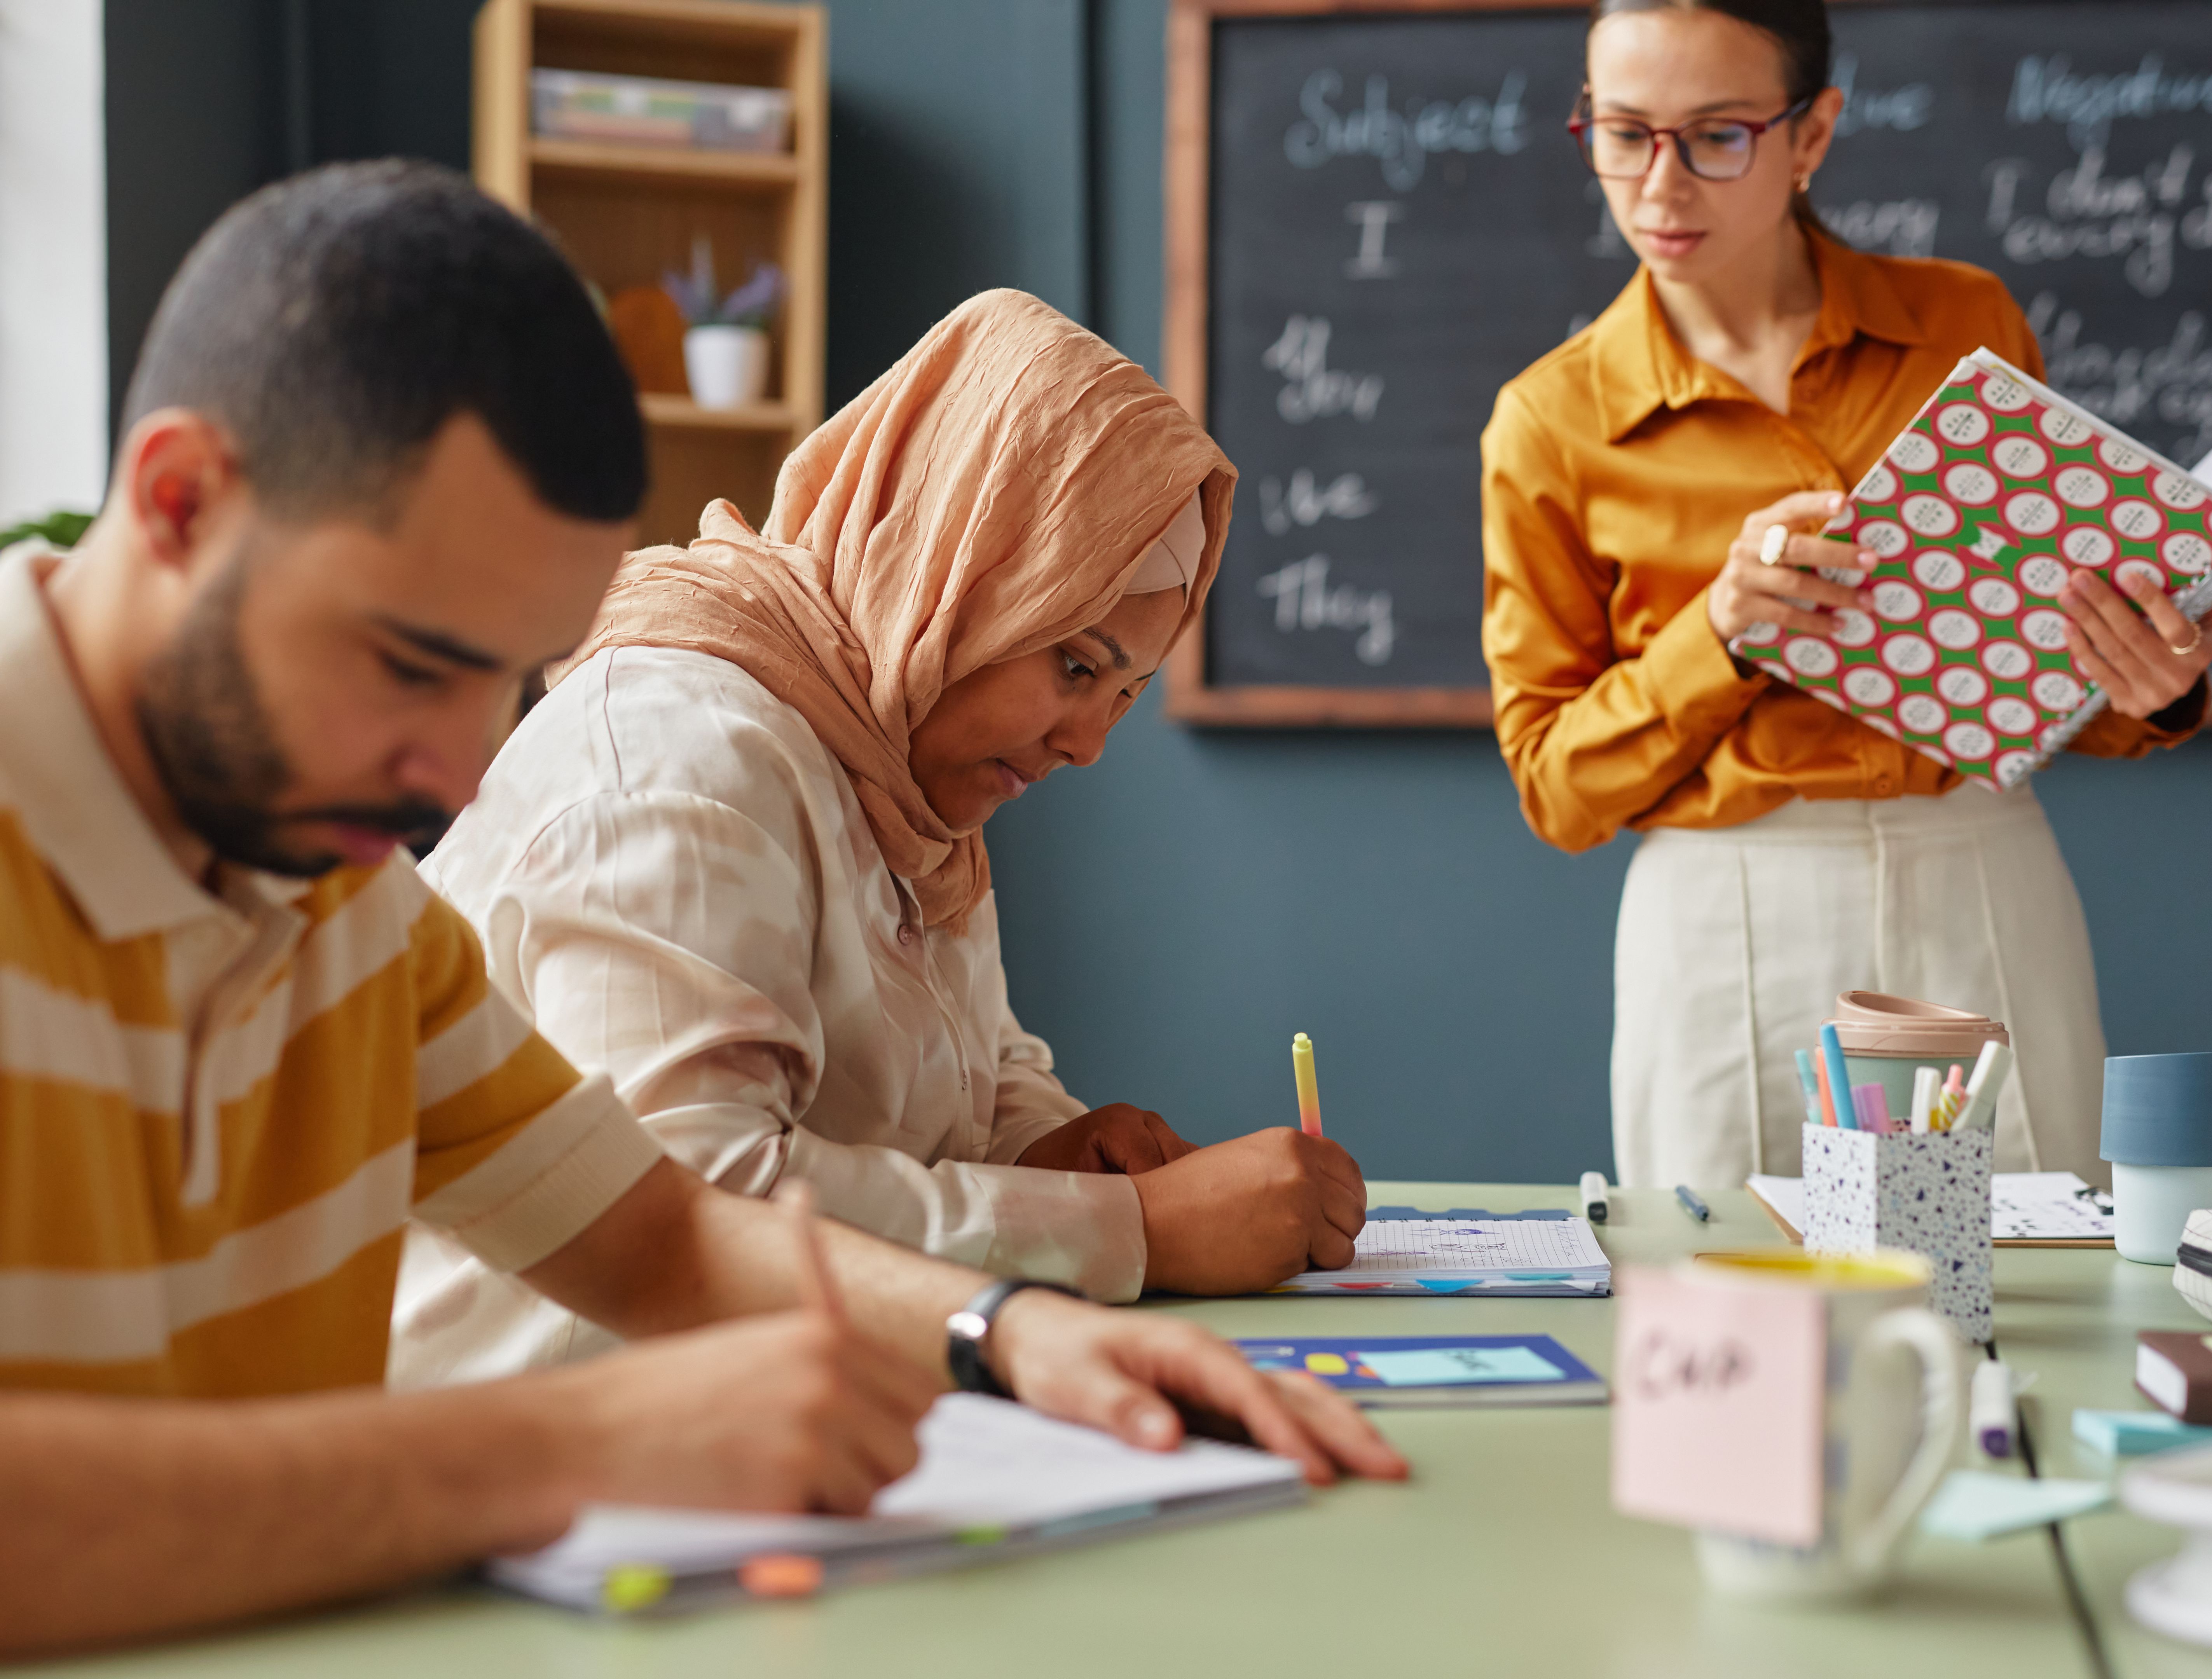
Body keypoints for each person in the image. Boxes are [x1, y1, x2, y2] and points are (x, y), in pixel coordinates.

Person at [0, 163, 1402, 1658]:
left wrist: (1023, 1331)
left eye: (506, 673)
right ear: (178, 503)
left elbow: (660, 1233)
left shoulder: (343, 901)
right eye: (414, 662)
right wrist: (574, 1443)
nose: (466, 765)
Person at [394, 289, 1368, 1384]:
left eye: (1127, 694)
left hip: (775, 1413)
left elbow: (981, 1073)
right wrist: (1134, 1229)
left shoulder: (900, 776)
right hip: (554, 1443)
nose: (1088, 743)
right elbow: (688, 1209)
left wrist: (1073, 1153)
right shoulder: (684, 761)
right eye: (1077, 665)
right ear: (958, 574)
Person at [1480, 0, 2212, 1192]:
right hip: (1722, 907)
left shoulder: (1964, 326)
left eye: (1717, 135)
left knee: (2025, 1297)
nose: (1660, 187)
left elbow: (2045, 681)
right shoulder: (1550, 420)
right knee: (1741, 1327)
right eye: (1624, 133)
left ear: (1813, 133)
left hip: (1979, 873)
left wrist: (2159, 687)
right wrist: (1723, 633)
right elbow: (1555, 787)